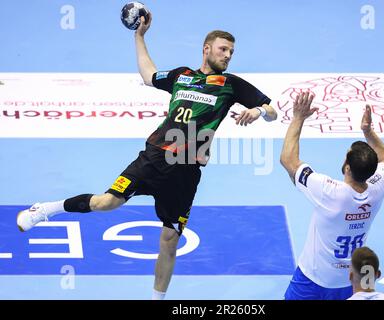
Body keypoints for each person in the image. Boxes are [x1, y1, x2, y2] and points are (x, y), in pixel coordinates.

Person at [16, 14, 277, 300]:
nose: (227, 56)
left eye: (231, 52)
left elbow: (271, 109)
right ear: (206, 49)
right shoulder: (182, 76)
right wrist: (139, 36)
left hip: (186, 171)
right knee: (107, 202)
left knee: (169, 241)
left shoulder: (231, 85)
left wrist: (258, 111)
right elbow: (149, 74)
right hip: (153, 157)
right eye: (222, 49)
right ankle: (44, 210)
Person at [280, 92, 384, 300]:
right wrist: (369, 132)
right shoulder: (377, 189)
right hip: (351, 282)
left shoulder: (329, 192)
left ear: (347, 168)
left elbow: (288, 160)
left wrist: (298, 118)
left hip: (312, 279)